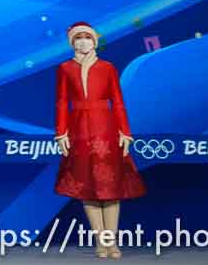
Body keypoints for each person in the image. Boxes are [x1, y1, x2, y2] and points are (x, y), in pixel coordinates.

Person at [54, 21, 144, 259]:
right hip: (79, 130)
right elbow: (62, 101)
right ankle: (100, 242)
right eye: (79, 38)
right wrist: (61, 132)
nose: (83, 42)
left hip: (106, 129)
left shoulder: (107, 67)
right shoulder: (64, 68)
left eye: (87, 38)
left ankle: (112, 243)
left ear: (94, 41)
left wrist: (125, 132)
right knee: (88, 189)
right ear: (73, 42)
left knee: (110, 188)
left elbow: (118, 100)